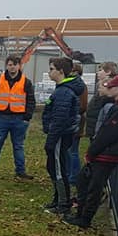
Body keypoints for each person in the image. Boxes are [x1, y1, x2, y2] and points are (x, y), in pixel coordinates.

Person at [65, 74, 118, 228]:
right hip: (106, 152)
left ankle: (84, 219)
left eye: (111, 86)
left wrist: (91, 153)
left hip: (107, 154)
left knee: (93, 187)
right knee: (84, 182)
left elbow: (107, 134)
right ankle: (81, 214)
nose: (108, 89)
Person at [0, 55, 36, 179]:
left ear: (19, 66)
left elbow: (30, 101)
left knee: (18, 146)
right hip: (1, 117)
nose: (12, 67)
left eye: (15, 64)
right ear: (6, 66)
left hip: (19, 119)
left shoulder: (26, 82)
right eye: (10, 64)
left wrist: (27, 117)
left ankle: (20, 171)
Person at [42, 57, 83, 213]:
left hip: (60, 135)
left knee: (59, 168)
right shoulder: (61, 89)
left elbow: (60, 118)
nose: (49, 72)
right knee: (53, 166)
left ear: (60, 71)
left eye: (51, 69)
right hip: (59, 134)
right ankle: (58, 199)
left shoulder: (64, 92)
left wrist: (51, 140)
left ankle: (63, 204)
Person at [84, 61, 118, 145]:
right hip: (94, 122)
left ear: (108, 72)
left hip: (99, 125)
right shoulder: (102, 84)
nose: (97, 72)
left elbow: (103, 102)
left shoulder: (109, 86)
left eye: (100, 70)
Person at [67, 62, 89, 184]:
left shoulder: (79, 86)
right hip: (76, 121)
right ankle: (71, 175)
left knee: (72, 151)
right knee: (71, 150)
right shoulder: (78, 85)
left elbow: (82, 106)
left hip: (75, 122)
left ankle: (74, 177)